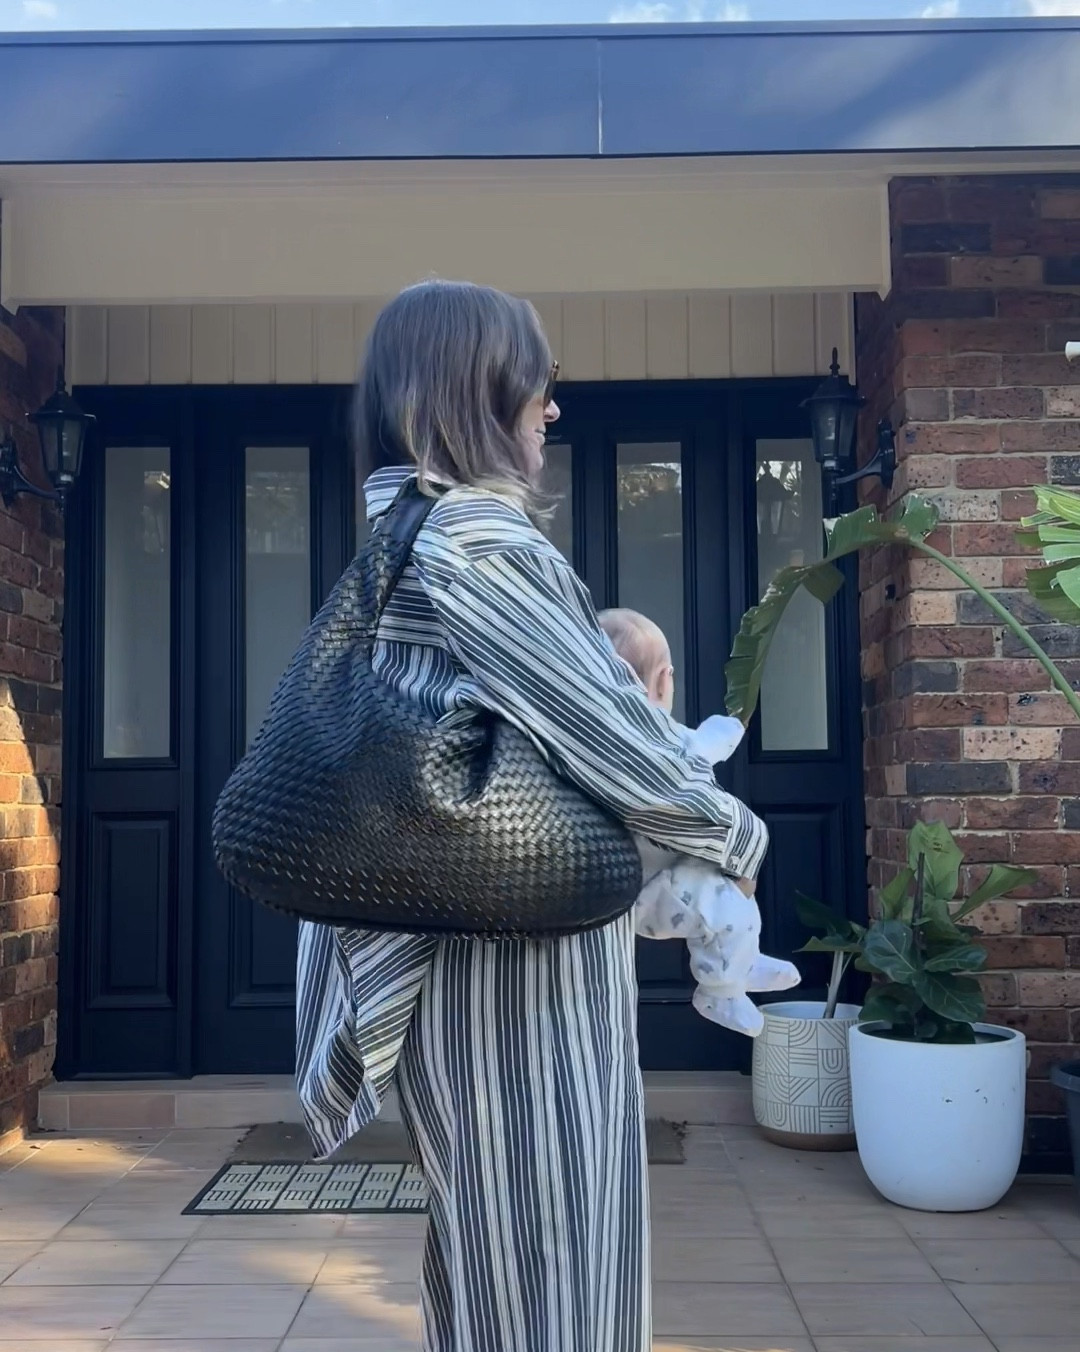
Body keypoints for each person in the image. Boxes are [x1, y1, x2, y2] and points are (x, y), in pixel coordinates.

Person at [294, 280, 768, 1352]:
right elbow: (608, 730)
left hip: (462, 948)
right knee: (557, 1265)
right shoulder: (475, 539)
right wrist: (736, 837)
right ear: (478, 392)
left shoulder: (401, 537)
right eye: (536, 385)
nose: (552, 409)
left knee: (494, 1263)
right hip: (519, 974)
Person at [597, 608, 800, 1036]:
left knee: (732, 896)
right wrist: (720, 734)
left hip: (656, 877)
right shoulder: (637, 740)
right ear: (663, 680)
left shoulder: (617, 734)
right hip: (643, 893)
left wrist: (713, 737)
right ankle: (719, 991)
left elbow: (692, 746)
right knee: (723, 902)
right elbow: (693, 753)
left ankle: (743, 964)